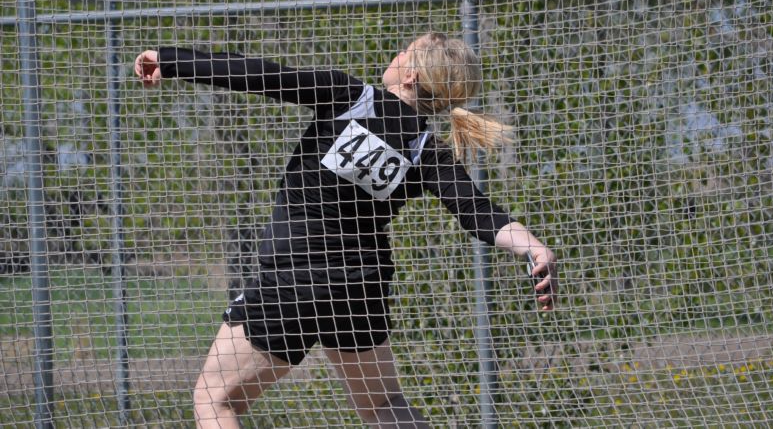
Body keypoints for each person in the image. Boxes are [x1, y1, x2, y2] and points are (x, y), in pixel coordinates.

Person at [134, 32, 557, 428]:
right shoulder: (426, 149)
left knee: (213, 398)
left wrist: (171, 61)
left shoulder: (350, 96)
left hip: (295, 278)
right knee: (383, 406)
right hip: (359, 286)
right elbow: (477, 212)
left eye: (403, 52)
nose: (394, 56)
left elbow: (257, 73)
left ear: (409, 74)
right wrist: (533, 246)